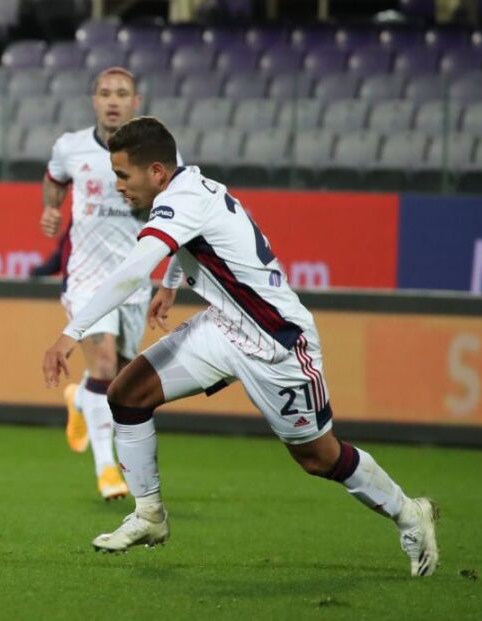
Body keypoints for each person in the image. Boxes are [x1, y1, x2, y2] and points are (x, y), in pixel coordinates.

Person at [41, 117, 440, 576]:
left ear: (156, 171)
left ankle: (410, 513)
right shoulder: (188, 186)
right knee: (127, 396)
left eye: (123, 175)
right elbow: (187, 241)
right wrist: (170, 284)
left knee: (318, 457)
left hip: (277, 342)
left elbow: (132, 271)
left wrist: (69, 334)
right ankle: (149, 515)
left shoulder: (180, 201)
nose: (118, 186)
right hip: (223, 328)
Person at [40, 67, 180, 501]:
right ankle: (107, 470)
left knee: (118, 377)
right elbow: (54, 180)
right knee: (103, 367)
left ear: (136, 102)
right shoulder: (71, 147)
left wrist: (169, 280)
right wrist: (51, 210)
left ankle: (81, 398)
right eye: (105, 93)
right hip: (86, 274)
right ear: (94, 100)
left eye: (122, 93)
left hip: (133, 277)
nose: (113, 100)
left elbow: (179, 208)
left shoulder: (159, 154)